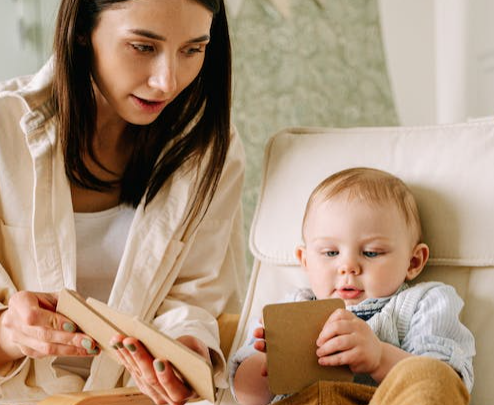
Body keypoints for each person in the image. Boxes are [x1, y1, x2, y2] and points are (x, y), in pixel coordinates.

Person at [0, 0, 245, 403]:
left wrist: (187, 350)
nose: (167, 81)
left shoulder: (210, 151)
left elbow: (197, 297)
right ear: (82, 30)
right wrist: (10, 333)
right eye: (143, 47)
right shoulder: (7, 129)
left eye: (193, 50)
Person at [230, 167, 475, 405]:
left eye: (371, 252)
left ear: (413, 261)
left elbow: (446, 383)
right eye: (330, 252)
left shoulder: (425, 301)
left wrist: (379, 357)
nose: (348, 266)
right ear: (305, 260)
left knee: (434, 376)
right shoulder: (289, 308)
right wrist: (269, 365)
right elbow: (246, 396)